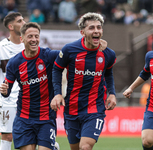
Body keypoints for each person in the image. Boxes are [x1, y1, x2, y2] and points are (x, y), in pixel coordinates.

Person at [0, 21, 108, 150]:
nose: (34, 39)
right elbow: (6, 91)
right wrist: (4, 90)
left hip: (46, 117)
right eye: (30, 36)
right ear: (22, 39)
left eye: (36, 36)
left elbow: (72, 52)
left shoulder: (49, 55)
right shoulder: (14, 63)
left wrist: (93, 43)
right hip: (24, 118)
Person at [51, 12, 117, 150]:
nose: (96, 31)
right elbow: (57, 70)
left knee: (85, 147)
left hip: (95, 108)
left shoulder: (108, 54)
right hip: (72, 108)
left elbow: (109, 73)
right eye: (91, 28)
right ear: (82, 32)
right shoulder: (70, 50)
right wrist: (57, 93)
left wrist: (112, 93)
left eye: (99, 27)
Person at [0, 12, 25, 150]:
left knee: (30, 135)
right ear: (11, 26)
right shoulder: (0, 47)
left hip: (28, 99)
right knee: (7, 137)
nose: (24, 23)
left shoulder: (29, 45)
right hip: (7, 100)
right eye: (20, 21)